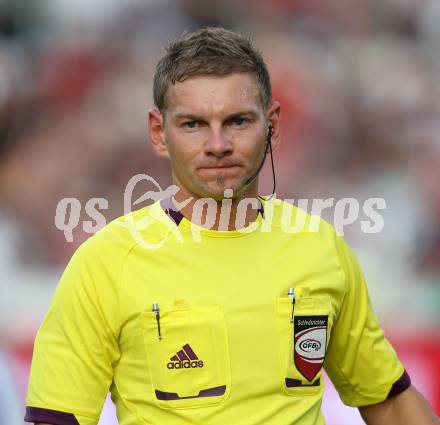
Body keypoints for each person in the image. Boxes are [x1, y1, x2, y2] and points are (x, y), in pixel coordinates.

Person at [25, 27, 438, 425]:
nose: (218, 144)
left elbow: (389, 403)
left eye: (238, 121)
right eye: (193, 124)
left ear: (272, 125)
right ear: (158, 132)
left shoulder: (320, 248)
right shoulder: (105, 264)